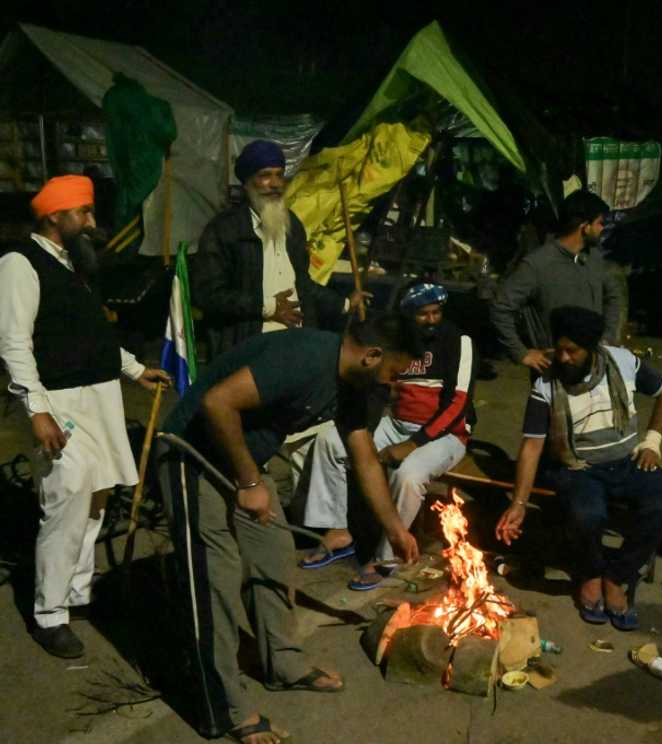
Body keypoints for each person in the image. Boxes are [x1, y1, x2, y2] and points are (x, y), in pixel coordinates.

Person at [154, 315, 419, 742]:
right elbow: (217, 403)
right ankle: (225, 710)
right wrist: (251, 483)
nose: (393, 384)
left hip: (242, 464)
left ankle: (280, 662)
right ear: (372, 356)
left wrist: (395, 529)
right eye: (393, 372)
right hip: (191, 457)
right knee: (214, 581)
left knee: (274, 552)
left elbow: (366, 458)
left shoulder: (352, 386)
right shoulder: (305, 358)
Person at [0, 175, 170, 658]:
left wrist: (136, 370)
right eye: (84, 212)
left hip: (100, 398)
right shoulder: (19, 263)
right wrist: (36, 410)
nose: (93, 222)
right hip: (61, 403)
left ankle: (77, 595)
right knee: (66, 503)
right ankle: (49, 613)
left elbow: (92, 333)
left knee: (95, 502)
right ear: (55, 216)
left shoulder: (73, 262)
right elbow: (13, 343)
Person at [495, 307, 662, 631]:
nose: (563, 357)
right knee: (586, 514)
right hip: (577, 467)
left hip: (626, 461)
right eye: (560, 348)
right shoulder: (546, 384)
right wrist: (518, 503)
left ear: (592, 349)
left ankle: (616, 576)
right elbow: (532, 446)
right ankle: (592, 573)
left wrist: (652, 441)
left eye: (572, 351)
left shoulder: (622, 362)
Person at [299, 281, 475, 590]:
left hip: (444, 435)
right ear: (407, 315)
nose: (432, 320)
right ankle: (339, 530)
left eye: (437, 312)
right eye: (423, 314)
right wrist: (365, 430)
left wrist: (413, 443)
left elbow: (458, 405)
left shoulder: (458, 339)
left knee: (408, 475)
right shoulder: (394, 342)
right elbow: (376, 392)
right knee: (329, 441)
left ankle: (387, 556)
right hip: (394, 422)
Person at [192, 139, 366, 356]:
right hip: (247, 345)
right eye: (265, 175)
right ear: (247, 182)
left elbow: (302, 284)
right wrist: (267, 307)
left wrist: (345, 303)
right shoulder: (224, 230)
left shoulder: (291, 225)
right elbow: (207, 294)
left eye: (279, 175)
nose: (275, 184)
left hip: (296, 344)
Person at [490, 190, 624, 374]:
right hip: (554, 372)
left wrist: (607, 341)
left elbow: (613, 296)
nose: (602, 229)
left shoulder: (594, 258)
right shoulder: (537, 265)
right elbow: (501, 307)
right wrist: (520, 352)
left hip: (593, 370)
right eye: (600, 223)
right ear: (584, 226)